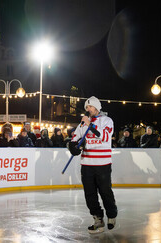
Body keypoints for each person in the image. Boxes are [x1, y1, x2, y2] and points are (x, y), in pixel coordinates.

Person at [68, 96, 117, 233]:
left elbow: (105, 137)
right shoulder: (83, 123)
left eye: (89, 107)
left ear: (96, 107)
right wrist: (72, 146)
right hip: (87, 164)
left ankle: (112, 214)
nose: (87, 109)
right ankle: (98, 219)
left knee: (105, 191)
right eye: (86, 108)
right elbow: (74, 137)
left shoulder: (107, 121)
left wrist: (90, 125)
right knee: (90, 194)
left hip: (103, 164)